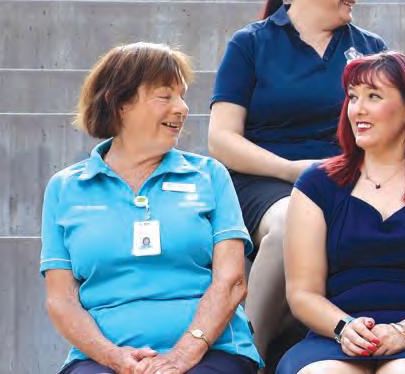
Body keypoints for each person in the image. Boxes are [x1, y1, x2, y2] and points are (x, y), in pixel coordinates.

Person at [208, 0, 388, 358]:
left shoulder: (371, 50)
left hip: (348, 179)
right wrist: (293, 170)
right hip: (265, 181)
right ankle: (246, 355)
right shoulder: (251, 43)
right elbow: (221, 139)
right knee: (293, 221)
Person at [40, 42, 261, 374]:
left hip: (211, 351)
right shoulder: (65, 188)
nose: (182, 108)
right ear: (120, 103)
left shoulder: (210, 175)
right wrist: (114, 357)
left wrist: (182, 354)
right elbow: (61, 301)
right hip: (102, 358)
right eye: (165, 96)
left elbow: (232, 281)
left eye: (182, 96)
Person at [277, 52, 405, 373]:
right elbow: (303, 293)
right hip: (337, 335)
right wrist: (344, 327)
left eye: (373, 96)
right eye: (353, 97)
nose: (358, 109)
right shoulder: (317, 184)